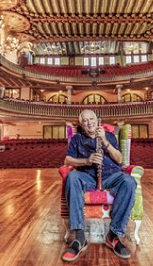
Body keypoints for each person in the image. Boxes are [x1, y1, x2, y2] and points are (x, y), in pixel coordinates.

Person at [61, 109, 137, 262]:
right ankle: (80, 237)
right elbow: (67, 160)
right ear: (81, 125)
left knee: (129, 182)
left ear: (97, 120)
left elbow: (120, 159)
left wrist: (105, 142)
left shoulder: (108, 136)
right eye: (85, 121)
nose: (89, 122)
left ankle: (113, 235)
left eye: (91, 119)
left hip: (111, 175)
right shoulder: (77, 139)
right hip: (87, 175)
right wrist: (86, 161)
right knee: (72, 177)